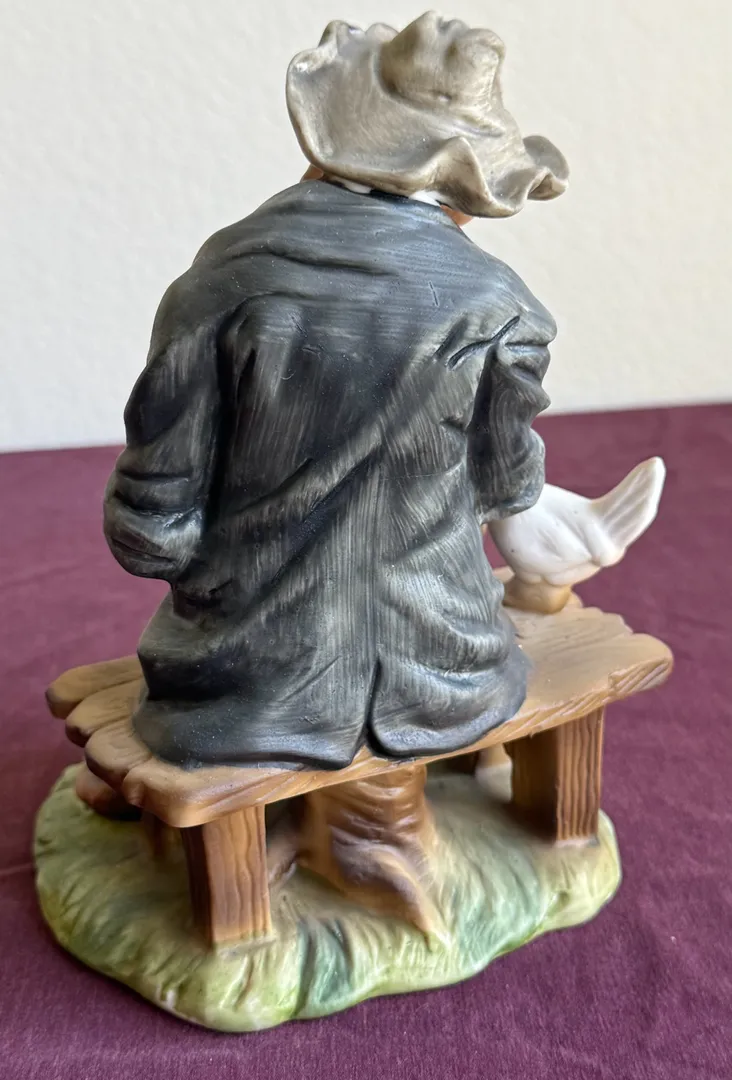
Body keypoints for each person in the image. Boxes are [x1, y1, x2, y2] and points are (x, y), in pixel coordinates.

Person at [104, 12, 568, 768]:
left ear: (325, 144)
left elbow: (153, 526)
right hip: (444, 666)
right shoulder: (505, 309)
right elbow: (506, 484)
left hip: (238, 678)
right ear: (462, 186)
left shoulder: (221, 280)